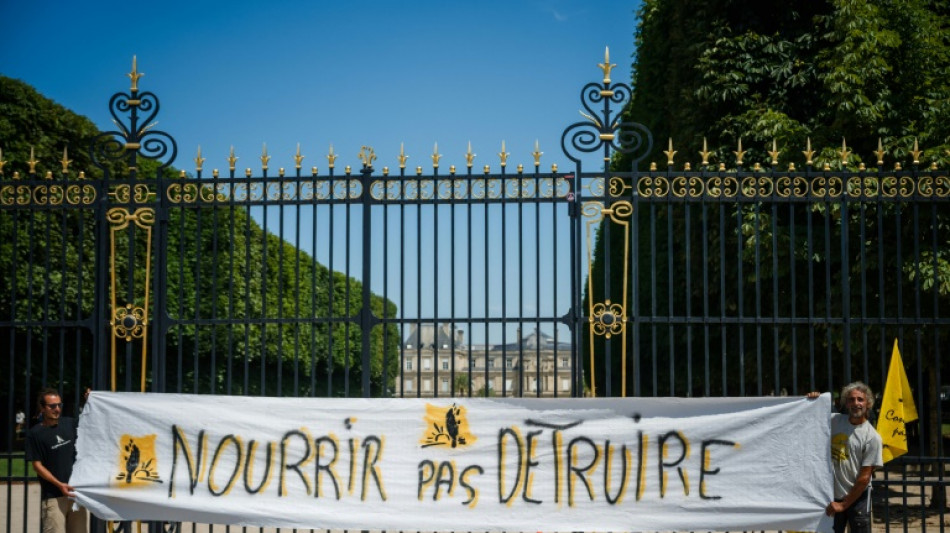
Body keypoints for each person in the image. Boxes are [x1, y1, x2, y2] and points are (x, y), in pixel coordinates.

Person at [808, 382, 883, 533]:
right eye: (851, 399)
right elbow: (809, 418)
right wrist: (812, 401)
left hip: (858, 497)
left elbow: (864, 478)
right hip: (830, 496)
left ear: (868, 403)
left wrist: (843, 505)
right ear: (846, 403)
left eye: (860, 399)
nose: (856, 403)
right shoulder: (834, 421)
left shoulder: (872, 437)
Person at [26, 388, 88, 533]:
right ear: (42, 408)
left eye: (59, 405)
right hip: (54, 496)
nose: (57, 409)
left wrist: (90, 400)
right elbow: (37, 465)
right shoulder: (35, 434)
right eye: (52, 406)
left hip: (76, 495)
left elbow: (91, 421)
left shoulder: (70, 424)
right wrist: (60, 484)